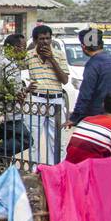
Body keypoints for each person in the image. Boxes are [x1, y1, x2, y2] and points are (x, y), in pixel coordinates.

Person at [26, 25, 70, 163]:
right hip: (36, 99)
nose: (45, 42)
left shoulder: (59, 55)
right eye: (41, 39)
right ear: (34, 40)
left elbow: (65, 80)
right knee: (33, 140)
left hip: (55, 100)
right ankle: (35, 171)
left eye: (48, 38)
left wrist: (52, 59)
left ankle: (56, 170)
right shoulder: (29, 56)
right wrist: (25, 89)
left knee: (57, 140)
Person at [68, 28, 111, 126]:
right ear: (102, 44)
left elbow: (85, 95)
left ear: (83, 46)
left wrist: (74, 117)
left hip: (96, 119)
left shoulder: (93, 64)